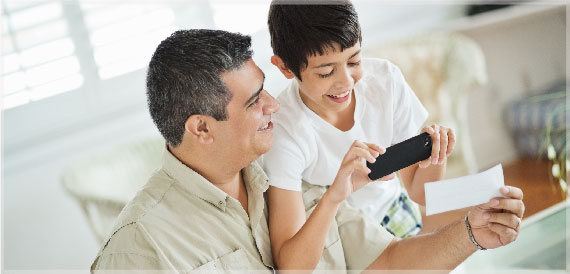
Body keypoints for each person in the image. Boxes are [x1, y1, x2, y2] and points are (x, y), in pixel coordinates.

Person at [91, 29, 525, 272]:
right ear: (201, 128)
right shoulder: (139, 247)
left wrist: (472, 232)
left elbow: (388, 262)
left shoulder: (290, 173)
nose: (274, 104)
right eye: (254, 99)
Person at [259, 1, 518, 270]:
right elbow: (291, 266)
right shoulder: (285, 132)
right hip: (342, 241)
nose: (346, 81)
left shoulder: (384, 81)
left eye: (354, 60)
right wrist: (335, 194)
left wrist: (435, 157)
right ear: (285, 68)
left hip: (400, 219)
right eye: (326, 72)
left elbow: (421, 193)